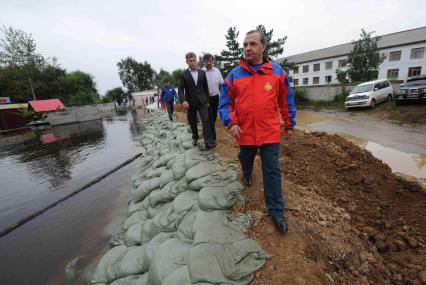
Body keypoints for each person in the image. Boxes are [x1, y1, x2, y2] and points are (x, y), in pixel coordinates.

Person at [218, 30, 296, 233]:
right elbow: (225, 104)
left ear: (263, 47)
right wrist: (231, 122)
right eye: (245, 45)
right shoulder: (234, 75)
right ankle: (246, 172)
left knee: (272, 170)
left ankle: (276, 211)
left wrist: (289, 123)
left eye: (252, 44)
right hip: (244, 132)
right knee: (246, 158)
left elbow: (286, 100)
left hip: (269, 131)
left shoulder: (277, 72)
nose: (247, 48)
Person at [178, 52, 215, 149]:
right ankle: (195, 137)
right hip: (190, 102)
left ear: (197, 60)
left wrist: (207, 101)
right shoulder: (183, 75)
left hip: (202, 101)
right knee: (192, 121)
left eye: (194, 60)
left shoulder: (202, 73)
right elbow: (181, 90)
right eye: (190, 61)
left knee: (206, 120)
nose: (193, 63)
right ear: (187, 62)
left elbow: (205, 88)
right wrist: (183, 101)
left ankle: (208, 142)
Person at [202, 53, 224, 145]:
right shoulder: (201, 72)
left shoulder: (217, 71)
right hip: (206, 99)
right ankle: (212, 139)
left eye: (210, 61)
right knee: (209, 119)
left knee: (214, 117)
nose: (208, 63)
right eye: (206, 61)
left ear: (213, 61)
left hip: (216, 97)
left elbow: (222, 84)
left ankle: (209, 134)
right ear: (204, 62)